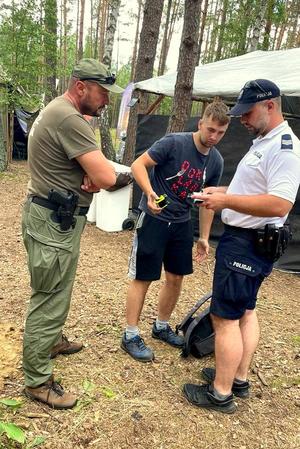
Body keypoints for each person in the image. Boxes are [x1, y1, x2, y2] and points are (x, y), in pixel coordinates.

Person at [183, 79, 300, 414]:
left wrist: (226, 201)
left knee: (225, 317)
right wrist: (220, 193)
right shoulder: (265, 139)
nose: (243, 119)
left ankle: (220, 393)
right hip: (249, 241)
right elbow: (252, 188)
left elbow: (279, 203)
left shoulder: (284, 147)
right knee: (245, 311)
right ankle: (237, 377)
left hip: (247, 243)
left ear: (270, 106)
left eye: (247, 112)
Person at [22, 58, 123, 409]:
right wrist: (104, 177)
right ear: (80, 86)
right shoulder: (69, 117)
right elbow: (108, 178)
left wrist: (92, 177)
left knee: (57, 287)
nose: (106, 101)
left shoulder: (58, 112)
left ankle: (50, 341)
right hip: (54, 222)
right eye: (102, 93)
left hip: (54, 219)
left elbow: (90, 174)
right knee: (48, 296)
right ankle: (37, 380)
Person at [121, 101, 230, 362]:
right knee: (143, 276)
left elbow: (207, 201)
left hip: (182, 223)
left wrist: (203, 236)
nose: (214, 137)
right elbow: (138, 165)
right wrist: (149, 193)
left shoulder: (216, 161)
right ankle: (130, 334)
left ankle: (161, 326)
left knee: (176, 277)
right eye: (211, 129)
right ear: (201, 123)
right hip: (154, 218)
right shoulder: (174, 143)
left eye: (220, 133)